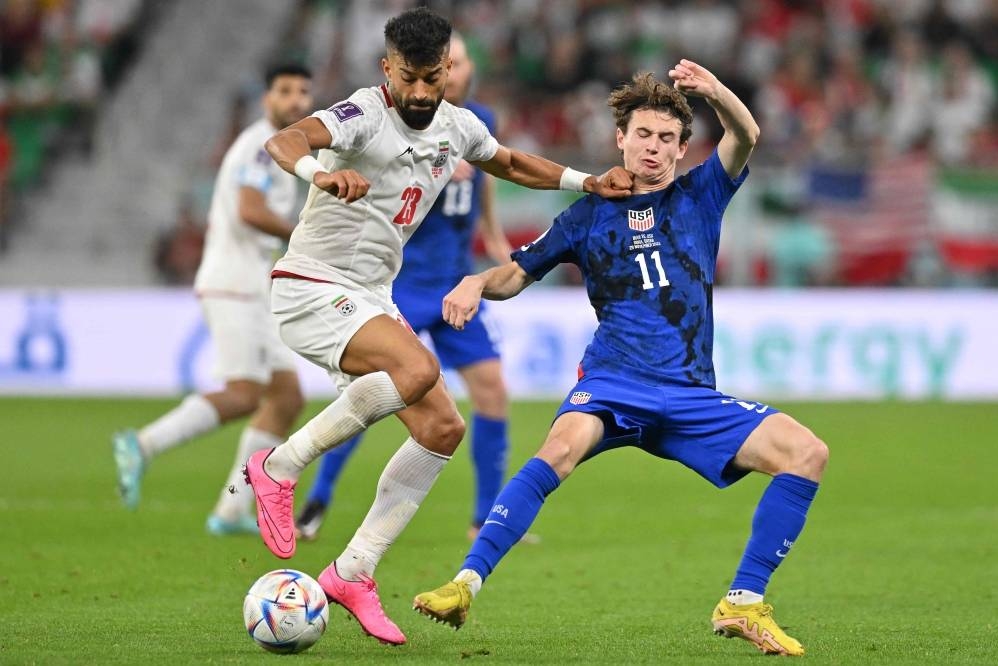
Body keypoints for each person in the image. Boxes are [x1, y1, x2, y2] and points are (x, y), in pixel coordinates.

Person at [413, 61, 828, 658]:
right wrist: (477, 281)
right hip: (613, 381)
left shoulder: (702, 195)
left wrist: (714, 92)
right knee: (557, 450)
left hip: (689, 393)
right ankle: (464, 584)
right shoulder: (587, 212)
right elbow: (517, 274)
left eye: (666, 138)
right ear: (620, 139)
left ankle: (743, 602)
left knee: (807, 453)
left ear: (684, 149)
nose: (653, 148)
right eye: (643, 135)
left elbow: (747, 136)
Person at [242, 7, 629, 647]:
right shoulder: (362, 113)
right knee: (417, 369)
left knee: (444, 426)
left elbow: (508, 163)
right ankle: (280, 467)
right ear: (386, 70)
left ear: (448, 68)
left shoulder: (457, 126)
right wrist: (321, 171)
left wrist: (586, 180)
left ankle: (353, 569)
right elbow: (282, 142)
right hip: (311, 283)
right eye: (410, 79)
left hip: (370, 294)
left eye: (434, 77)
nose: (422, 93)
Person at [294, 33, 529, 546]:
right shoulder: (400, 124)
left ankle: (484, 517)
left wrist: (491, 235)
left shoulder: (476, 123)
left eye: (459, 65)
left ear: (454, 69)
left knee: (492, 390)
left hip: (455, 279)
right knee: (379, 394)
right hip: (401, 281)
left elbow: (491, 174)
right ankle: (319, 498)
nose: (456, 73)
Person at [112, 64, 313, 535]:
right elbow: (250, 210)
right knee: (245, 394)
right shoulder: (263, 147)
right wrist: (305, 233)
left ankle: (231, 508)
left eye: (303, 92)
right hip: (234, 281)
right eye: (285, 91)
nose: (296, 100)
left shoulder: (281, 147)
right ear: (267, 97)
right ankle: (142, 444)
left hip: (256, 285)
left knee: (286, 396)